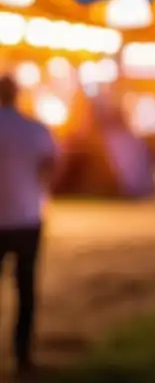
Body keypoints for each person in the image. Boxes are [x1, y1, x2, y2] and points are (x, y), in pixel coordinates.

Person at [0, 75, 57, 377]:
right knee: (25, 289)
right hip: (26, 217)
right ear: (17, 94)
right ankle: (22, 356)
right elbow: (50, 169)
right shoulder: (35, 129)